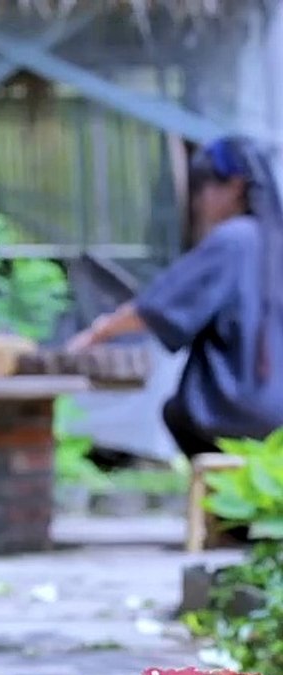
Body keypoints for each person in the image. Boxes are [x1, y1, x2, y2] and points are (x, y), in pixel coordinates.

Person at [66, 136, 283, 463]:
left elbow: (155, 308)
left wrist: (95, 334)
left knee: (178, 412)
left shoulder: (235, 239)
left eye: (204, 189)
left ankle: (223, 511)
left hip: (240, 413)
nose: (198, 203)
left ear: (235, 187)